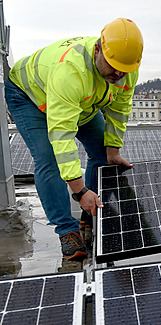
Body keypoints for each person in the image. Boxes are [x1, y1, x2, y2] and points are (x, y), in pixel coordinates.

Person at [5, 18, 143, 260]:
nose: (119, 73)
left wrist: (112, 150)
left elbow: (119, 110)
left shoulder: (125, 70)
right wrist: (79, 192)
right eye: (113, 66)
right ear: (98, 50)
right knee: (49, 159)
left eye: (125, 69)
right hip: (29, 96)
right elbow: (62, 135)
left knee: (102, 154)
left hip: (82, 101)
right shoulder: (71, 71)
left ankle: (89, 217)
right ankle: (67, 231)